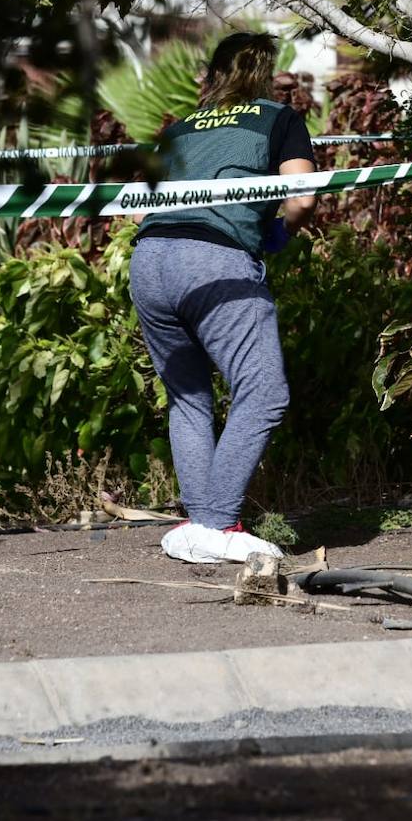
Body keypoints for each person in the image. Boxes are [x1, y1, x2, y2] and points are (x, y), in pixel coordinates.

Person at [129, 31, 317, 564]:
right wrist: (279, 231)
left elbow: (138, 208)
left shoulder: (180, 128)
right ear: (265, 76)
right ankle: (216, 523)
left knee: (188, 396)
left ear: (212, 75)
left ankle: (200, 528)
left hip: (150, 261)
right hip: (215, 260)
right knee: (264, 392)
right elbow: (302, 197)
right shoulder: (279, 119)